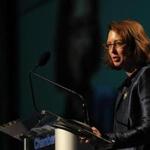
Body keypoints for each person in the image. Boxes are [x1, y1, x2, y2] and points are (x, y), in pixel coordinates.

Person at [91, 19, 150, 150]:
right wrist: (100, 138)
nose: (112, 51)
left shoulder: (146, 75)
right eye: (109, 45)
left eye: (118, 44)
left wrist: (108, 139)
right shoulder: (124, 88)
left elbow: (148, 128)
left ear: (134, 45)